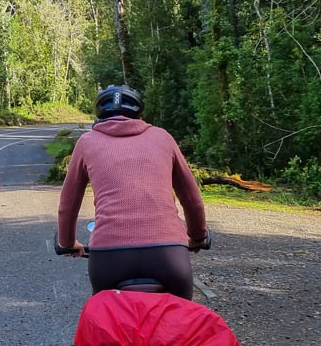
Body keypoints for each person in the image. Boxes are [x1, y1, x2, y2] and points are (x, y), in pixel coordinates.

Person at [57, 84, 208, 298]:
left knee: (105, 324)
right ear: (139, 112)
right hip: (168, 255)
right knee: (182, 323)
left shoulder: (86, 142)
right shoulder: (163, 137)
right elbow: (192, 199)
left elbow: (68, 206)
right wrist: (197, 237)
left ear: (99, 113)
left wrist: (68, 242)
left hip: (109, 258)